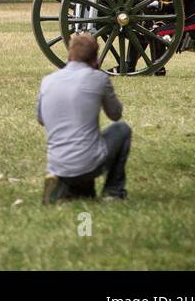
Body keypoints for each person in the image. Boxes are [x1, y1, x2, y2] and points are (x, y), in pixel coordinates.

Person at [38, 32, 131, 202]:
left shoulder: (47, 81)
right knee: (122, 130)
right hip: (88, 162)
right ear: (96, 58)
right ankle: (113, 191)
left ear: (69, 54)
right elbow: (116, 115)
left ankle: (64, 188)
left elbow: (41, 119)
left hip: (57, 164)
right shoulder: (99, 78)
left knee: (81, 148)